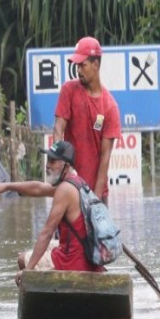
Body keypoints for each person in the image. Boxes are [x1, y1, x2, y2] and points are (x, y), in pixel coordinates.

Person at [0, 140, 106, 281]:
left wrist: (28, 270)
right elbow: (38, 188)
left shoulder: (64, 190)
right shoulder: (77, 183)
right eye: (48, 160)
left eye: (52, 161)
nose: (47, 165)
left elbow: (47, 232)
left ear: (66, 166)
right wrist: (8, 186)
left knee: (22, 259)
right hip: (84, 252)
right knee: (35, 250)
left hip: (73, 261)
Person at [54, 37, 122, 202]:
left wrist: (95, 199)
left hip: (96, 191)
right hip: (69, 189)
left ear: (96, 65)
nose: (78, 70)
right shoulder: (68, 91)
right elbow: (58, 129)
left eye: (82, 65)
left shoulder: (109, 107)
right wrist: (61, 165)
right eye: (77, 66)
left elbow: (105, 157)